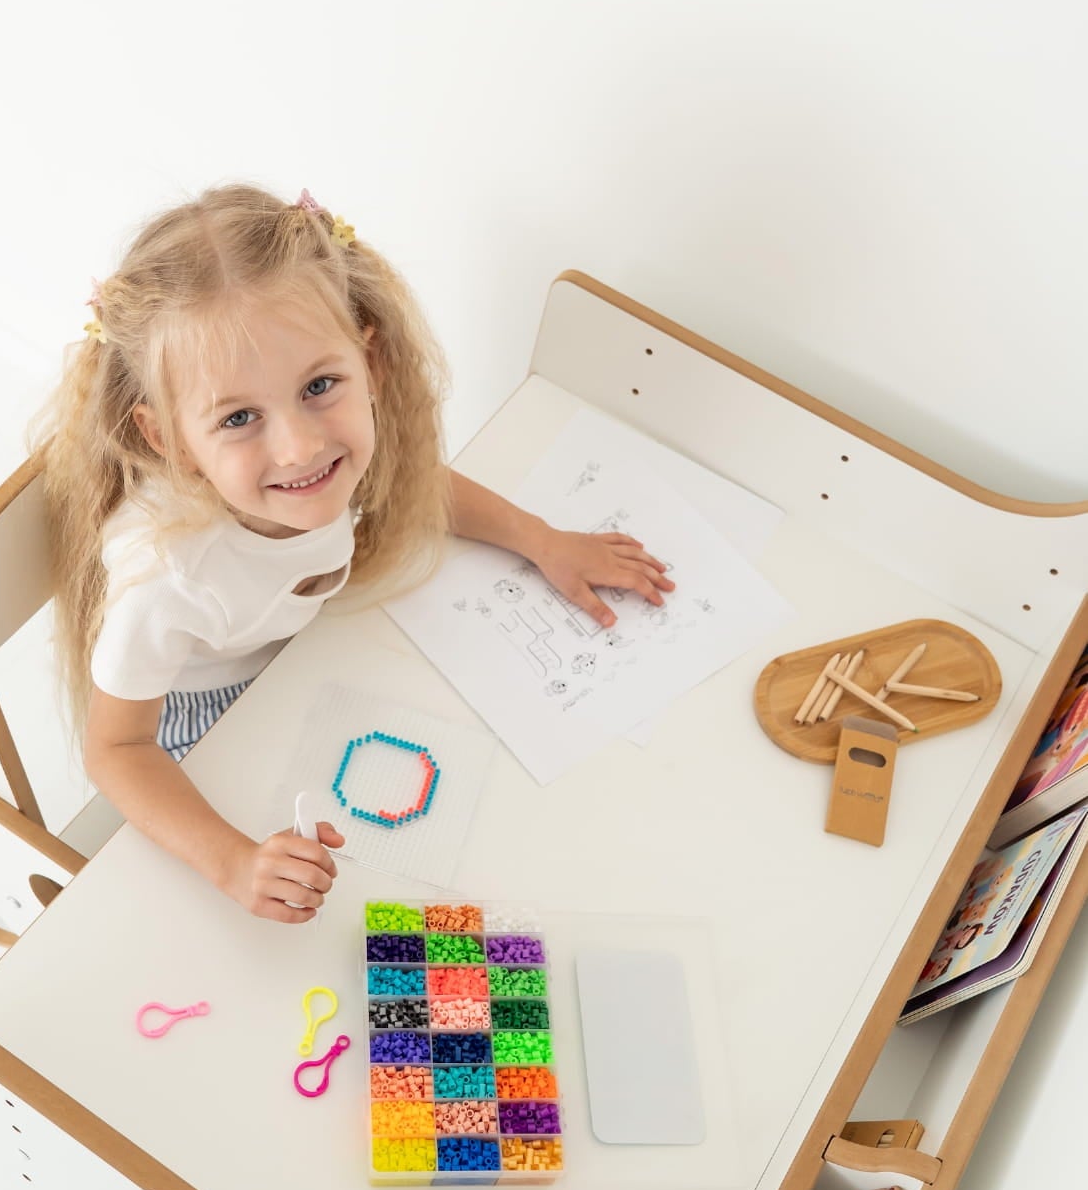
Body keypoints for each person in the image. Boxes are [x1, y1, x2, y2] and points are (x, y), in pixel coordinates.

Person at [33, 183, 673, 923]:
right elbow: (115, 750)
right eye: (239, 417)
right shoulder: (170, 580)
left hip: (302, 651)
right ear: (166, 437)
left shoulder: (321, 458)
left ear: (366, 360)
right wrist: (234, 862)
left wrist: (542, 540)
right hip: (195, 718)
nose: (301, 445)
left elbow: (414, 484)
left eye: (319, 386)